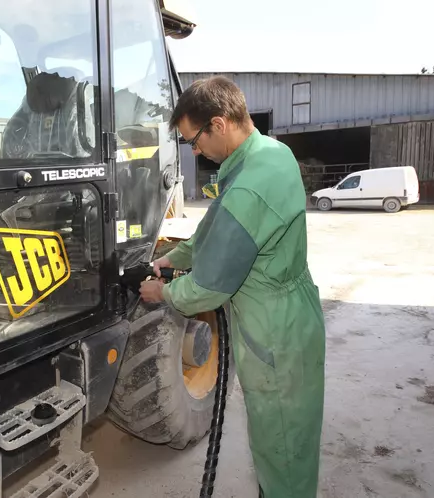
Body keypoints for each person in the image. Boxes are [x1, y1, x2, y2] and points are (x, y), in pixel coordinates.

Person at [139, 76, 326, 498]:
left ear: (219, 125)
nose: (195, 150)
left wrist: (164, 293)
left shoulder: (249, 187)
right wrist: (175, 257)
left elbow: (208, 287)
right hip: (289, 313)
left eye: (193, 140)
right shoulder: (265, 155)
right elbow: (216, 225)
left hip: (276, 330)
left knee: (283, 445)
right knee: (286, 440)